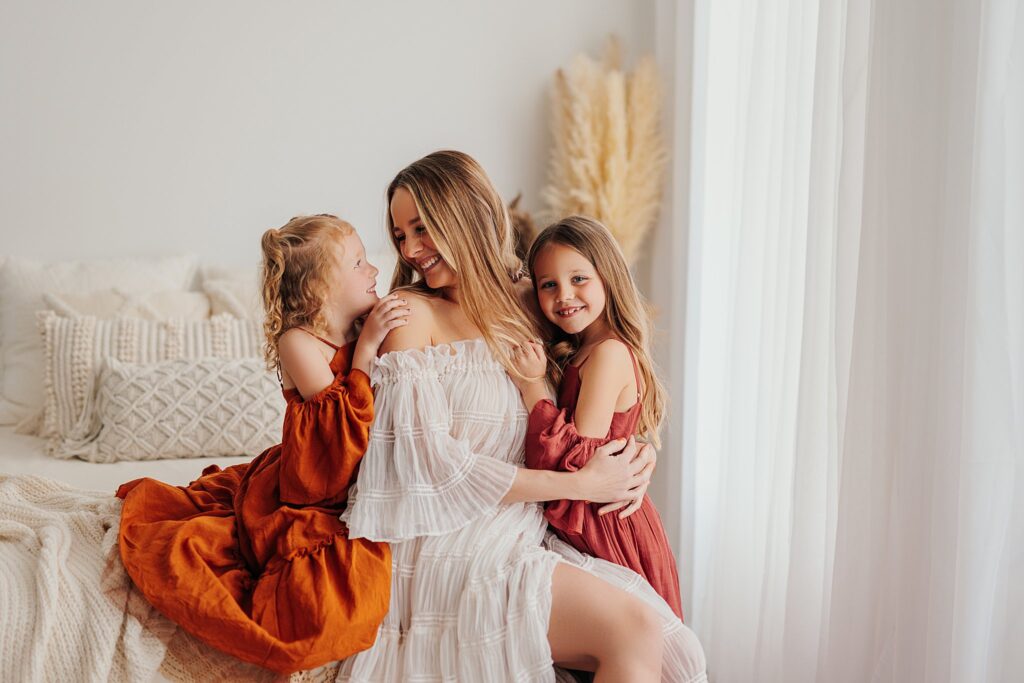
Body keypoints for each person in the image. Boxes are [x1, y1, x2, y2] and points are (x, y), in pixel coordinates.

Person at [338, 151, 707, 682]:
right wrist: (576, 483)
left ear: (468, 214)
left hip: (528, 529)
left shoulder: (533, 300)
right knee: (633, 628)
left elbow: (589, 390)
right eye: (399, 235)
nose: (411, 250)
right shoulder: (410, 316)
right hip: (452, 543)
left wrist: (637, 450)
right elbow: (429, 468)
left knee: (650, 627)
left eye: (423, 228)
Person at [116, 215, 404, 674]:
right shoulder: (299, 342)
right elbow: (338, 429)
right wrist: (367, 349)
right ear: (319, 287)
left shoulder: (363, 321)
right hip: (313, 484)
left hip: (359, 474)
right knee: (322, 600)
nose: (373, 270)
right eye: (358, 263)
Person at [511, 215, 683, 619]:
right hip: (592, 518)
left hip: (606, 525)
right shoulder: (581, 348)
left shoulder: (607, 353)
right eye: (548, 284)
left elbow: (575, 459)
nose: (564, 295)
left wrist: (532, 385)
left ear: (608, 277)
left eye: (579, 279)